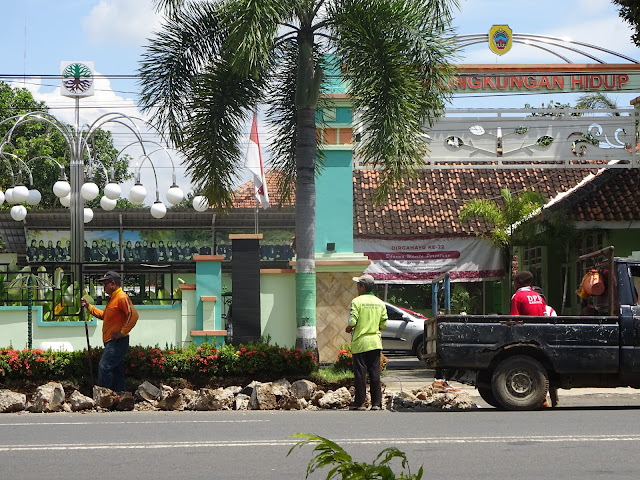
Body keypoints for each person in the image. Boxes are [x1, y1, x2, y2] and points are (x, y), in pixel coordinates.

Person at [81, 271, 138, 392]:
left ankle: (103, 395)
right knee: (116, 369)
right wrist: (89, 307)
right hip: (112, 341)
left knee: (105, 366)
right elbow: (104, 315)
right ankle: (119, 395)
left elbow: (133, 315)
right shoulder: (113, 299)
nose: (104, 287)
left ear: (113, 283)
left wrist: (122, 332)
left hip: (117, 341)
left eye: (105, 284)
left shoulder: (122, 298)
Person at [345, 274, 388, 411]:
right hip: (375, 342)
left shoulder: (357, 302)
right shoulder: (380, 303)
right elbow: (384, 323)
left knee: (360, 374)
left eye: (358, 284)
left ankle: (360, 402)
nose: (357, 287)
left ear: (362, 287)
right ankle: (376, 403)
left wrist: (349, 328)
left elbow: (352, 320)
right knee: (375, 374)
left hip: (360, 343)